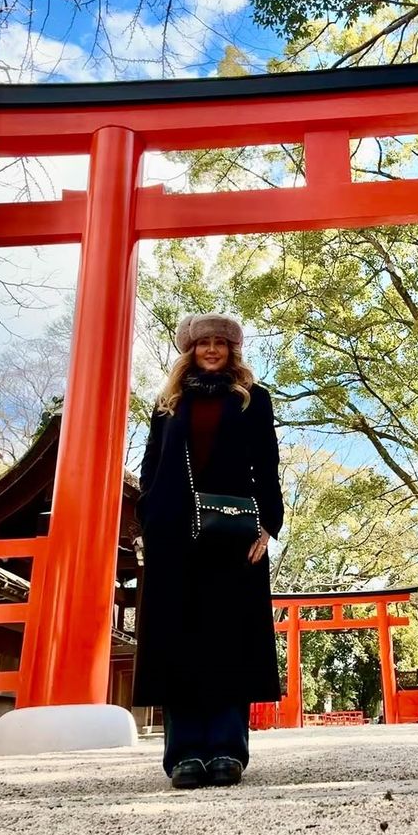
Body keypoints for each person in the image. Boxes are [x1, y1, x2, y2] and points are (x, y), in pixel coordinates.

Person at [133, 313, 283, 789]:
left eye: (221, 343)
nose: (213, 350)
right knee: (179, 638)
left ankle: (226, 750)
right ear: (191, 351)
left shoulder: (253, 400)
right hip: (174, 536)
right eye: (204, 344)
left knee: (227, 637)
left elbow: (268, 465)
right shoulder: (168, 403)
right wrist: (148, 518)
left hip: (234, 536)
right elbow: (150, 464)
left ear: (233, 350)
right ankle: (184, 754)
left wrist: (269, 527)